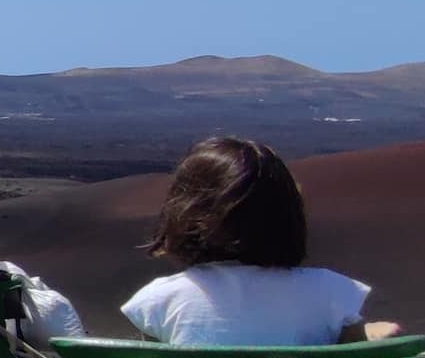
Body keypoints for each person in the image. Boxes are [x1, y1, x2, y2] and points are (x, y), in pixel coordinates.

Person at [121, 136, 401, 346]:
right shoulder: (330, 292)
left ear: (182, 214)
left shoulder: (160, 300)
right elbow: (366, 346)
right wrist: (381, 333)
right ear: (290, 215)